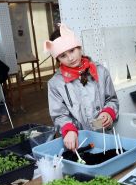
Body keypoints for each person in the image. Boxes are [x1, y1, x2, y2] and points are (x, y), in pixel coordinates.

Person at [44, 23, 119, 151]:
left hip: (104, 136)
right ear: (58, 59)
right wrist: (69, 130)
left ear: (79, 47)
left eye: (72, 50)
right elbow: (59, 115)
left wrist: (108, 113)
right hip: (78, 142)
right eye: (63, 55)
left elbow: (111, 99)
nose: (70, 58)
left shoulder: (101, 72)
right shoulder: (55, 83)